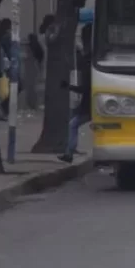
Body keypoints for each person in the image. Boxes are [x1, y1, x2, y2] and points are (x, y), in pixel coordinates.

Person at [58, 23, 92, 163]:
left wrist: (69, 87)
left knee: (73, 124)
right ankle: (69, 152)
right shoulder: (91, 58)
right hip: (92, 103)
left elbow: (85, 88)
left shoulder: (88, 62)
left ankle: (69, 153)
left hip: (90, 104)